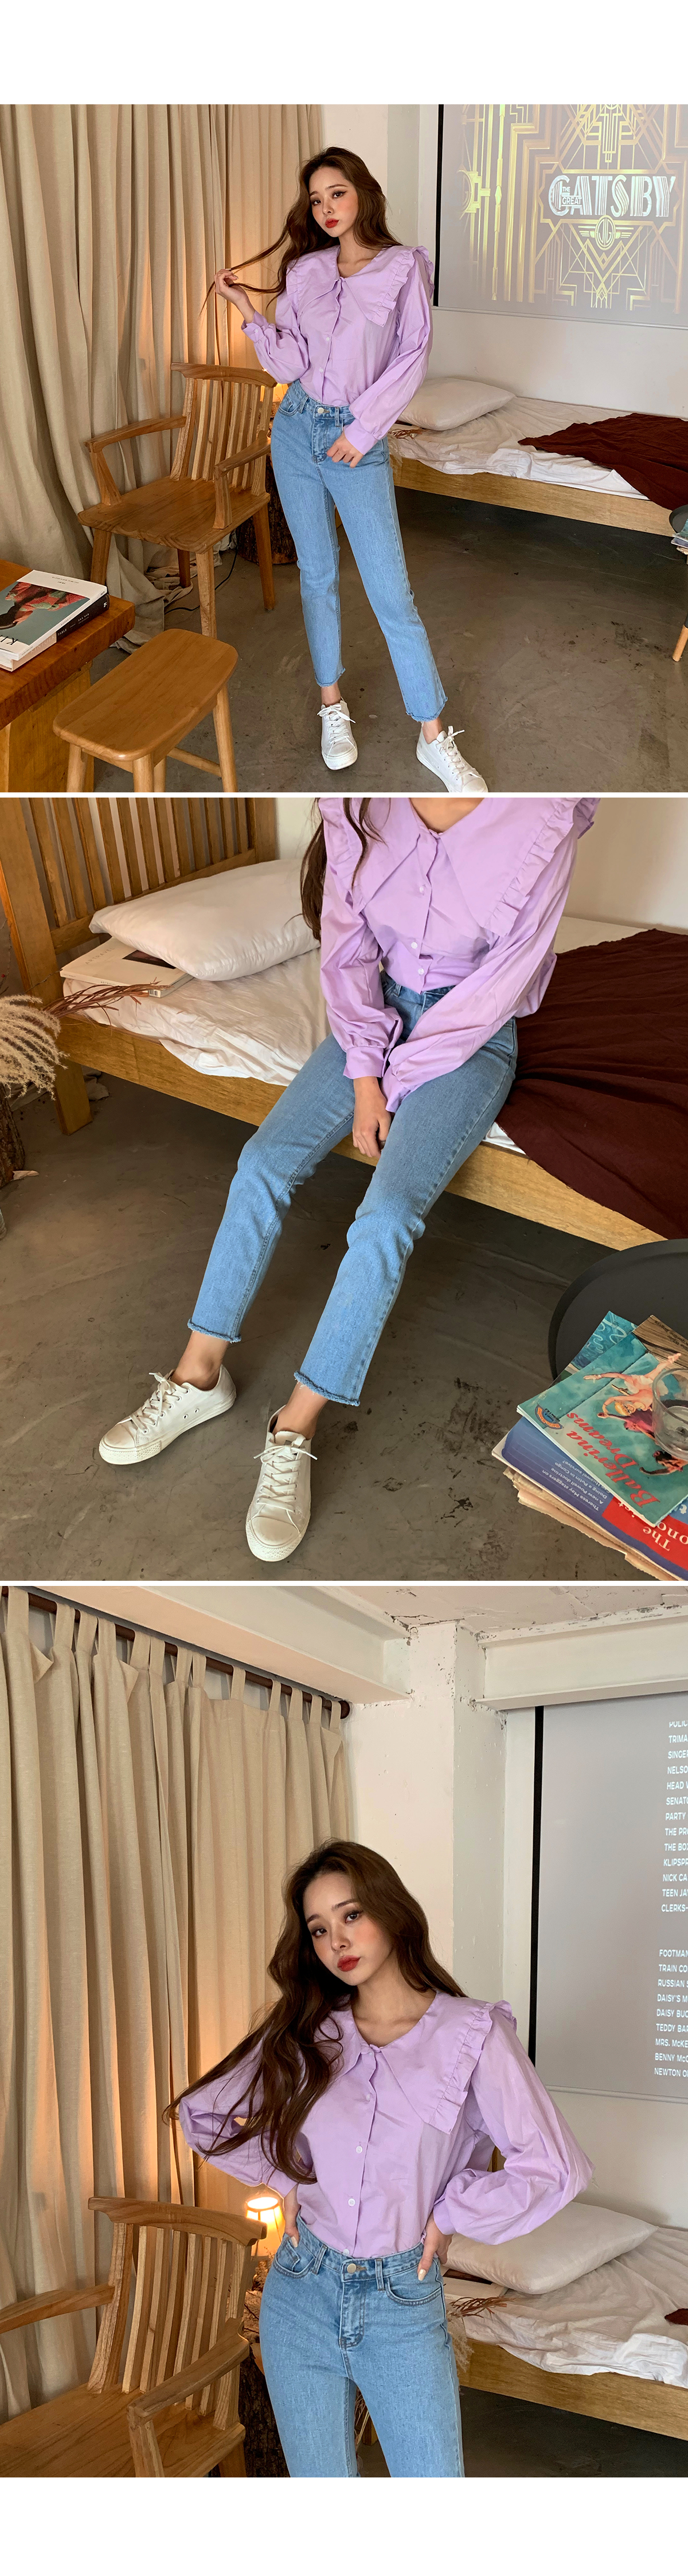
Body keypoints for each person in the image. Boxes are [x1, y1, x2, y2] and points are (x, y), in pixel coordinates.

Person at [99, 791, 599, 1560]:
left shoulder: (544, 814)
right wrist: (369, 1077)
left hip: (468, 1038)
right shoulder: (363, 800)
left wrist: (403, 1079)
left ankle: (294, 1426)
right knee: (262, 1162)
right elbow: (347, 946)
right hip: (367, 1017)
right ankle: (198, 1376)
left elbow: (502, 984)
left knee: (388, 1214)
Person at [170, 1839, 592, 2479]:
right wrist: (288, 2177)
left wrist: (450, 2214)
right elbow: (201, 2113)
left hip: (401, 2300)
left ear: (391, 1911)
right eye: (318, 1928)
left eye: (351, 1914)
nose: (336, 1940)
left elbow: (555, 2165)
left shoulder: (473, 2033)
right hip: (300, 2288)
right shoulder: (309, 2028)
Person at [213, 148, 487, 788]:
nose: (326, 208)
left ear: (363, 192)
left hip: (354, 441)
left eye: (336, 193)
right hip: (294, 429)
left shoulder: (403, 267)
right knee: (317, 577)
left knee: (392, 594)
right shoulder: (305, 271)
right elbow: (290, 365)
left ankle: (433, 737)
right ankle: (332, 707)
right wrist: (246, 310)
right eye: (316, 199)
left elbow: (412, 357)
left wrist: (362, 432)